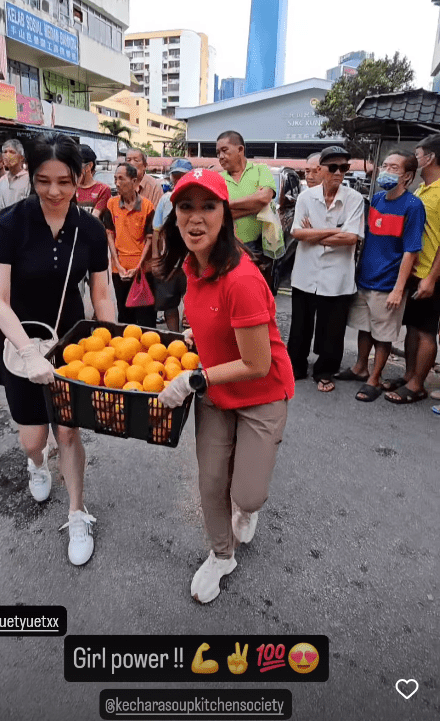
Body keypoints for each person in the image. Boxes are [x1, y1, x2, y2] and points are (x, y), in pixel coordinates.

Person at [156, 169, 294, 604]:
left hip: (261, 393)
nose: (196, 219)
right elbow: (209, 317)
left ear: (226, 215)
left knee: (248, 494)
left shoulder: (243, 279)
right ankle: (221, 556)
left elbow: (257, 362)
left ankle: (246, 508)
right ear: (174, 214)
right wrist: (199, 338)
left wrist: (193, 378)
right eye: (186, 207)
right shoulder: (191, 266)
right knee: (212, 481)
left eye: (208, 207)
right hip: (217, 395)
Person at [0, 132, 115, 566]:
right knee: (33, 438)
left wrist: (113, 340)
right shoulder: (9, 226)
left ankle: (77, 512)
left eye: (65, 180)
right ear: (31, 175)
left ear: (79, 177)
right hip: (19, 340)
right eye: (44, 180)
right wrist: (27, 353)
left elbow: (101, 293)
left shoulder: (91, 229)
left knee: (68, 431)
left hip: (70, 343)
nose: (55, 192)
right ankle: (36, 465)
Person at [336, 151, 425, 401]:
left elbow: (411, 251)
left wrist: (399, 288)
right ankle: (360, 367)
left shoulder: (412, 206)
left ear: (407, 176)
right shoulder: (376, 200)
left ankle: (374, 379)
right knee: (365, 328)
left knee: (382, 334)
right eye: (384, 165)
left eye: (393, 167)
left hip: (388, 283)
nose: (385, 170)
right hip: (365, 277)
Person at [287, 146, 364, 392]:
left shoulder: (354, 199)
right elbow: (297, 232)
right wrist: (335, 231)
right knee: (300, 325)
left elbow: (352, 238)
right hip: (306, 272)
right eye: (333, 168)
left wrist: (314, 234)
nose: (339, 173)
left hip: (337, 274)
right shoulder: (306, 198)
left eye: (344, 168)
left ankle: (325, 371)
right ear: (321, 170)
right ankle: (295, 366)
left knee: (332, 328)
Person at [385, 134, 440, 404]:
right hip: (415, 272)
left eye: (418, 155)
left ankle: (418, 384)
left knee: (427, 330)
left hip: (432, 274)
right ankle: (409, 376)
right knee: (413, 327)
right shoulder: (422, 189)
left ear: (430, 158)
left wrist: (431, 277)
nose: (415, 159)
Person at [105, 162, 156, 328]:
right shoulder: (111, 204)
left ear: (134, 182)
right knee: (124, 315)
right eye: (115, 179)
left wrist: (139, 266)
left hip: (143, 271)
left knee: (146, 318)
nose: (117, 183)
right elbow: (110, 236)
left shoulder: (147, 206)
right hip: (119, 270)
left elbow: (150, 239)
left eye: (121, 178)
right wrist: (118, 265)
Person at [152, 159, 193, 331]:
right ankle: (174, 338)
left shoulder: (197, 199)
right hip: (170, 260)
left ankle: (194, 341)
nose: (178, 180)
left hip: (192, 260)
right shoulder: (165, 200)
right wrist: (155, 257)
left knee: (193, 303)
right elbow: (156, 231)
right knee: (169, 304)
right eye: (175, 176)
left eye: (181, 176)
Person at [76, 145, 111, 218]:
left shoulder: (103, 190)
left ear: (89, 166)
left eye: (76, 164)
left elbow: (94, 219)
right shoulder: (70, 188)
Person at [0, 139, 30, 212]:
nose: (7, 155)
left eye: (12, 152)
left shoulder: (28, 179)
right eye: (5, 152)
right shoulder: (2, 181)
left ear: (21, 157)